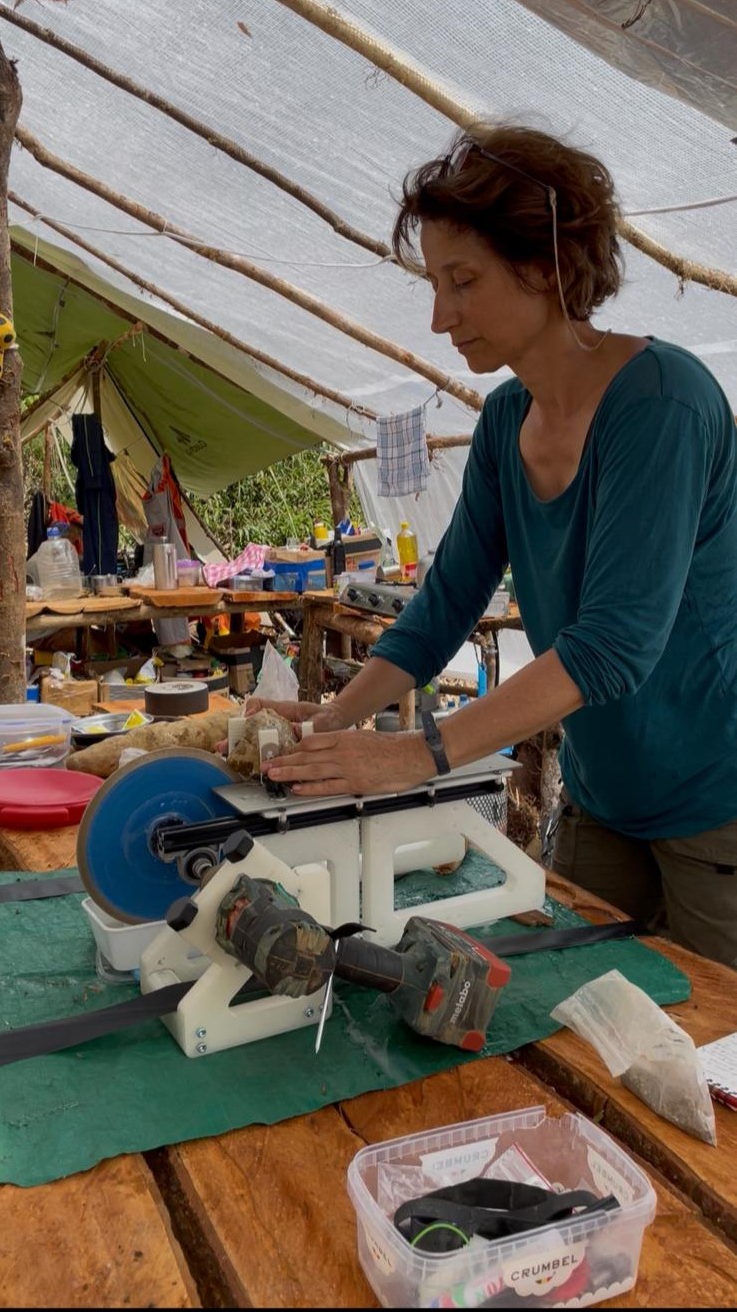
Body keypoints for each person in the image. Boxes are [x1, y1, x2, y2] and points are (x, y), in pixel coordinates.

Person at [245, 122, 737, 968]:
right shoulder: (506, 419)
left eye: (462, 282)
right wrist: (333, 721)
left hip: (715, 803)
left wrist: (417, 755)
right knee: (579, 1014)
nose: (441, 318)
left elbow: (614, 645)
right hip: (603, 797)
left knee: (713, 1063)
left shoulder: (663, 403)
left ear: (545, 265)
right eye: (436, 285)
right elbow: (443, 607)